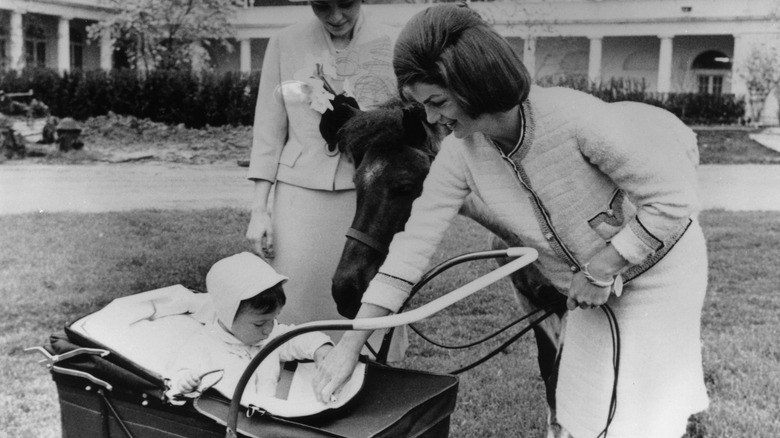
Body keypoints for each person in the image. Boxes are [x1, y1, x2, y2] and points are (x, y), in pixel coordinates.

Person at [314, 5, 709, 438]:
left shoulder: (576, 118)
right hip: (587, 289)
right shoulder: (459, 156)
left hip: (661, 275)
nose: (430, 119)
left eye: (436, 102)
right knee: (579, 412)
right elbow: (409, 251)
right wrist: (351, 345)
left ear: (470, 82)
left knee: (640, 419)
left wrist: (603, 268)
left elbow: (674, 200)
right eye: (422, 107)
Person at [244, 0, 406, 359]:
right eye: (322, 6)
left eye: (345, 4)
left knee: (368, 293)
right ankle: (294, 386)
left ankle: (372, 381)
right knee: (296, 299)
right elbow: (269, 133)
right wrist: (259, 210)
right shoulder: (285, 43)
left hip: (367, 198)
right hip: (299, 198)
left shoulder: (393, 43)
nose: (335, 17)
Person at [167, 252, 333, 402]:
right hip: (225, 420)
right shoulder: (204, 344)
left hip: (266, 418)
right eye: (259, 323)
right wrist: (185, 381)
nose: (268, 329)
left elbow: (295, 337)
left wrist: (320, 347)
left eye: (274, 319)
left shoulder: (271, 335)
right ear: (228, 315)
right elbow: (180, 374)